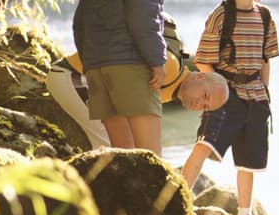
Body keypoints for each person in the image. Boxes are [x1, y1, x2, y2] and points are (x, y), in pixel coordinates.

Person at [72, 0, 190, 154]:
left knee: (123, 156)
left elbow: (81, 16)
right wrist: (157, 61)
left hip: (97, 65)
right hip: (129, 63)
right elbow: (144, 14)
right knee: (150, 157)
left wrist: (89, 59)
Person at [180, 0, 279, 215]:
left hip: (256, 96)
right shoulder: (222, 14)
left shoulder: (266, 16)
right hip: (225, 95)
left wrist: (265, 94)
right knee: (203, 146)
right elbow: (203, 60)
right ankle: (179, 201)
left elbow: (265, 59)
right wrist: (221, 90)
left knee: (248, 162)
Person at [45, 55, 229, 149]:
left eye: (205, 107)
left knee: (121, 147)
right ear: (200, 76)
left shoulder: (168, 91)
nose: (199, 104)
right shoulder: (169, 68)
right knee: (111, 146)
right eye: (205, 96)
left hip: (88, 83)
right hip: (73, 75)